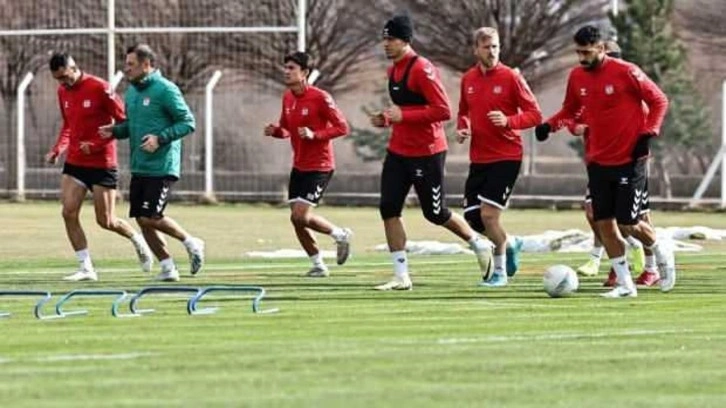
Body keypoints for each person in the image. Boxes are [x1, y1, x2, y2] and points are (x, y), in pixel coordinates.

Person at [535, 26, 675, 297]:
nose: (582, 58)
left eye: (586, 52)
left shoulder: (627, 71)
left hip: (629, 158)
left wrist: (649, 133)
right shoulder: (577, 76)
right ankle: (625, 285)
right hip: (598, 160)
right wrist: (549, 126)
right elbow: (570, 110)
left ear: (601, 48)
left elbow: (659, 100)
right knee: (604, 224)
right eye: (578, 52)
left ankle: (660, 250)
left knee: (628, 223)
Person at [370, 15, 492, 291]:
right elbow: (403, 111)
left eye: (391, 39)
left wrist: (404, 115)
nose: (386, 44)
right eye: (384, 39)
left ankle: (478, 243)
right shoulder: (393, 70)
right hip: (398, 151)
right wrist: (387, 118)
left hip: (426, 152)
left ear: (406, 40)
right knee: (388, 208)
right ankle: (401, 276)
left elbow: (443, 110)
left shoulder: (422, 69)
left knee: (435, 213)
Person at [99, 44, 204, 282]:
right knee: (142, 218)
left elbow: (188, 122)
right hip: (140, 165)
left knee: (150, 216)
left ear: (146, 65)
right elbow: (131, 126)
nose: (126, 69)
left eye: (131, 64)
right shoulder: (132, 93)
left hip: (162, 165)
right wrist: (114, 131)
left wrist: (160, 138)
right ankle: (167, 267)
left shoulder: (166, 89)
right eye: (126, 64)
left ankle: (190, 241)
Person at [45, 52, 152, 282]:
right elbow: (68, 125)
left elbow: (125, 124)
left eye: (64, 77)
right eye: (58, 79)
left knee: (106, 221)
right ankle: (86, 268)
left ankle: (138, 240)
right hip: (75, 162)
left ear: (74, 68)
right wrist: (58, 149)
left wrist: (95, 144)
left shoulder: (100, 88)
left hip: (102, 163)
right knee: (68, 212)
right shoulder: (63, 91)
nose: (62, 82)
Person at [557, 41, 656, 288]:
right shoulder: (588, 86)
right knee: (596, 213)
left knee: (636, 217)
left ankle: (652, 265)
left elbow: (650, 113)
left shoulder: (629, 88)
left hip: (630, 163)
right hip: (600, 162)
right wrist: (575, 127)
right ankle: (617, 263)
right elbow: (571, 115)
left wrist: (643, 140)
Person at [456, 27, 541, 287]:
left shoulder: (511, 77)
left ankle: (500, 272)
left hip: (507, 156)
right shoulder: (468, 79)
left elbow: (535, 115)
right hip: (479, 158)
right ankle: (510, 242)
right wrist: (462, 127)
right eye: (486, 47)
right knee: (472, 217)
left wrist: (508, 121)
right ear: (476, 50)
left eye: (495, 46)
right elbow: (463, 112)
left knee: (489, 216)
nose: (492, 52)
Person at [264, 51, 353, 277]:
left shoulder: (320, 97)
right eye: (285, 67)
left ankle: (340, 234)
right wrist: (275, 131)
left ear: (304, 72)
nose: (286, 71)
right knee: (297, 220)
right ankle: (318, 265)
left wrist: (315, 135)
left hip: (320, 166)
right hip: (299, 166)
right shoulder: (288, 97)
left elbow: (342, 127)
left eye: (291, 68)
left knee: (300, 216)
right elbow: (286, 129)